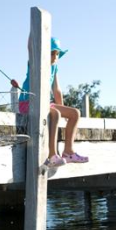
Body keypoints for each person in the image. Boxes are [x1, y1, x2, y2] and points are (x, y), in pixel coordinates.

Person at [18, 38, 89, 167]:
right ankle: (52, 155)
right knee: (55, 114)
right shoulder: (36, 62)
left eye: (57, 54)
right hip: (28, 102)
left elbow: (56, 90)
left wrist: (64, 111)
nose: (55, 56)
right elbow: (30, 47)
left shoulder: (54, 67)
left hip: (44, 103)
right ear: (44, 53)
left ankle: (68, 152)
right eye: (52, 53)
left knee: (75, 113)